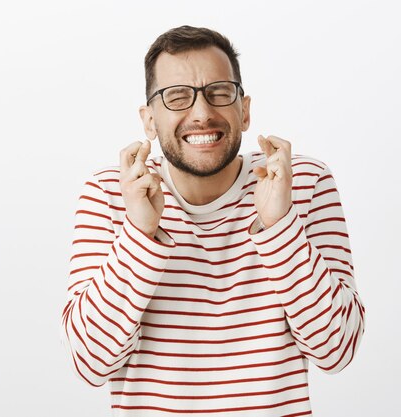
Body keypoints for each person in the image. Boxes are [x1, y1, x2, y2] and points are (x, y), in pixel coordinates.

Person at [61, 25, 365, 416]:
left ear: (245, 110)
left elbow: (336, 351)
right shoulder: (110, 193)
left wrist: (279, 226)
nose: (202, 114)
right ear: (149, 120)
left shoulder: (301, 183)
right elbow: (89, 363)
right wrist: (140, 234)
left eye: (219, 93)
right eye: (177, 97)